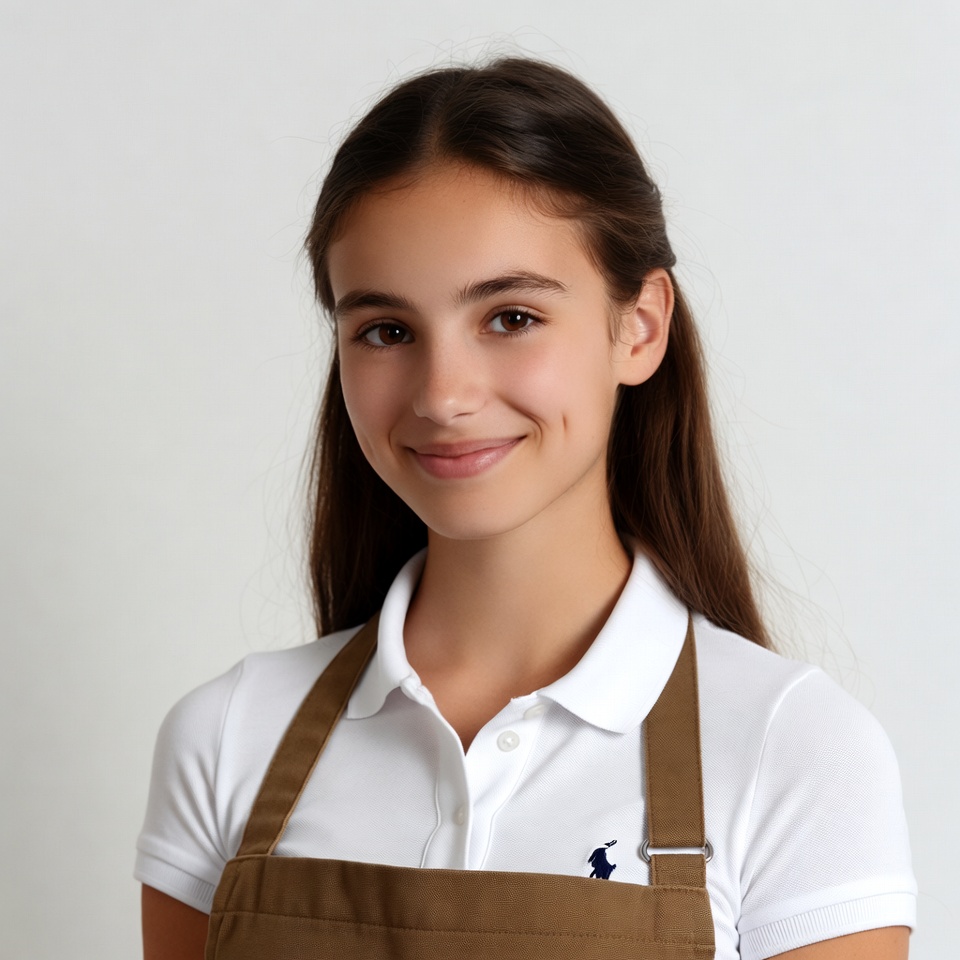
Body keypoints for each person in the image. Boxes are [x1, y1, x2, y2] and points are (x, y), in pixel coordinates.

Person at [137, 57, 916, 959]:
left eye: (510, 316)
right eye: (386, 330)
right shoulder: (229, 736)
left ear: (641, 325)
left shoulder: (795, 752)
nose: (444, 394)